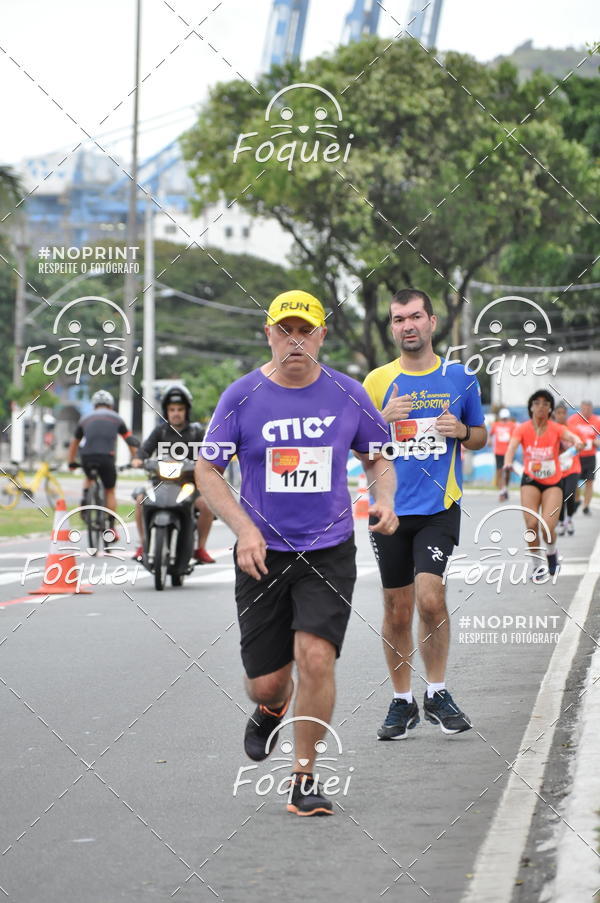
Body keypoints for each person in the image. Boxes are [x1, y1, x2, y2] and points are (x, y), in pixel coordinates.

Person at [195, 290, 397, 816]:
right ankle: (271, 704)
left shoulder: (348, 394)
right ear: (268, 334)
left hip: (328, 550)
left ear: (321, 336)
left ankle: (303, 777)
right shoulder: (241, 396)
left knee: (316, 657)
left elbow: (376, 457)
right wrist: (242, 529)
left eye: (305, 331)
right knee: (268, 677)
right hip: (262, 554)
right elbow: (207, 471)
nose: (295, 340)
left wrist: (385, 500)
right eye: (285, 330)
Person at [363, 289, 487, 741]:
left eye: (416, 316)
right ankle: (402, 702)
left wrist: (463, 431)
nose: (408, 325)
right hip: (390, 510)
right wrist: (382, 418)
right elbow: (361, 449)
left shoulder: (460, 378)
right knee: (397, 609)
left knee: (430, 598)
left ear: (433, 322)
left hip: (439, 506)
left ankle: (437, 691)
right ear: (393, 327)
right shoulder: (376, 382)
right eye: (399, 319)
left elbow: (480, 436)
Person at [130, 384, 216, 563]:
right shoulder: (160, 431)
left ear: (187, 411)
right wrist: (138, 459)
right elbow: (145, 450)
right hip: (160, 483)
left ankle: (200, 548)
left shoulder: (196, 431)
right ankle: (142, 545)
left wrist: (208, 462)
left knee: (207, 505)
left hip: (190, 485)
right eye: (172, 409)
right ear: (166, 411)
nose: (176, 413)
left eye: (180, 409)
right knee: (140, 501)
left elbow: (209, 452)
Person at [503, 390, 584, 579]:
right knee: (531, 524)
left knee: (547, 527)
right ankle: (537, 565)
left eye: (546, 404)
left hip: (553, 483)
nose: (541, 406)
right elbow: (512, 447)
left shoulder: (555, 428)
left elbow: (572, 438)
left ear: (550, 409)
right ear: (531, 407)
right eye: (537, 403)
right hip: (530, 480)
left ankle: (552, 551)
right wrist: (508, 462)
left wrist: (577, 442)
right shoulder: (522, 428)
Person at [67, 390, 138, 539]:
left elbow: (74, 443)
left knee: (89, 477)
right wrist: (135, 458)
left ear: (94, 406)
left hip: (87, 456)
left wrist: (71, 462)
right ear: (111, 406)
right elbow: (129, 440)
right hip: (107, 457)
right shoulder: (117, 419)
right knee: (110, 490)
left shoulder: (85, 419)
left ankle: (85, 502)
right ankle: (111, 527)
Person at [554, 402, 585, 536]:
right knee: (559, 496)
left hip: (573, 467)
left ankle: (570, 519)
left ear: (566, 414)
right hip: (557, 469)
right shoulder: (552, 429)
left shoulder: (574, 429)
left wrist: (578, 446)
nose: (561, 416)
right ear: (554, 414)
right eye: (558, 413)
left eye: (563, 413)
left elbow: (582, 444)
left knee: (569, 494)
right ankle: (561, 521)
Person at [567, 400, 600, 515]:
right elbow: (567, 435)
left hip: (590, 456)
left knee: (589, 481)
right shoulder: (573, 420)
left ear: (592, 409)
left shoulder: (597, 420)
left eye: (589, 409)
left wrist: (597, 442)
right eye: (584, 409)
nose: (587, 411)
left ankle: (586, 506)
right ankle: (577, 499)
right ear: (581, 409)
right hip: (577, 456)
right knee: (575, 480)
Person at [489, 407, 516, 500]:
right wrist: (489, 441)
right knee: (499, 472)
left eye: (505, 418)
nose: (504, 420)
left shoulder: (512, 425)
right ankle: (502, 492)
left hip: (508, 452)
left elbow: (514, 437)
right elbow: (490, 434)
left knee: (507, 473)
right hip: (498, 452)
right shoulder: (495, 425)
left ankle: (505, 488)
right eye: (503, 418)